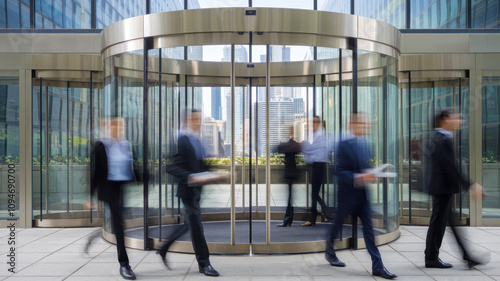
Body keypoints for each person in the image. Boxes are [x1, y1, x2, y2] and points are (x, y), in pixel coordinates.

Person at [324, 112, 396, 280]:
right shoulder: (343, 145)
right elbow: (339, 171)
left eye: (366, 123)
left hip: (363, 195)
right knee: (338, 225)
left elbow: (364, 168)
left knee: (369, 231)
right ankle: (329, 250)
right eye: (362, 123)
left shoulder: (365, 144)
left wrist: (374, 173)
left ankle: (377, 266)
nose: (365, 126)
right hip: (347, 195)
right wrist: (359, 177)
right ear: (352, 124)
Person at [157, 109, 220, 277]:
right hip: (187, 190)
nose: (197, 122)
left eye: (199, 119)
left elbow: (199, 165)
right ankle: (204, 263)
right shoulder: (182, 139)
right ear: (187, 120)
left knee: (190, 224)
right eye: (194, 119)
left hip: (197, 191)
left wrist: (214, 172)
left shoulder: (198, 140)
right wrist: (191, 176)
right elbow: (171, 166)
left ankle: (163, 248)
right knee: (196, 226)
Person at [424, 109, 486, 269]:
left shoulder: (442, 137)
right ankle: (435, 257)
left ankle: (459, 256)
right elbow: (449, 167)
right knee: (439, 224)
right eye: (456, 118)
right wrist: (470, 184)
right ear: (445, 119)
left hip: (443, 188)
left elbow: (450, 166)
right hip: (442, 188)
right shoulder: (439, 138)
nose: (459, 121)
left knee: (443, 224)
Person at [88, 117, 136, 280]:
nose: (119, 127)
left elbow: (132, 167)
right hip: (108, 189)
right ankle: (125, 264)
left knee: (118, 222)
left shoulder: (125, 144)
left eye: (121, 124)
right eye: (115, 124)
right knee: (119, 224)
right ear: (108, 127)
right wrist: (91, 196)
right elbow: (95, 172)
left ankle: (95, 236)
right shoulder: (101, 145)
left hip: (121, 188)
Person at [302, 116, 332, 226]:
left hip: (319, 165)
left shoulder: (321, 134)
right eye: (312, 122)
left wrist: (306, 147)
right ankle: (315, 217)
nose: (313, 124)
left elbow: (310, 149)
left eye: (315, 122)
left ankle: (327, 213)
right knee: (314, 193)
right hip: (315, 165)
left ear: (318, 123)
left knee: (314, 193)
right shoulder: (315, 134)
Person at [276, 126, 302, 227]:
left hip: (290, 173)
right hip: (291, 173)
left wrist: (291, 140)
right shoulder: (293, 145)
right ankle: (288, 219)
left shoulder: (292, 145)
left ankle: (288, 219)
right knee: (290, 197)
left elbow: (279, 148)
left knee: (289, 197)